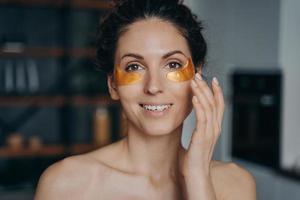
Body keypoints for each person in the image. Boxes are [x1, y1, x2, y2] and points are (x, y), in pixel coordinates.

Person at [35, 0, 256, 199]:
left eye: (173, 65)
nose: (153, 86)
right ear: (113, 85)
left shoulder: (234, 184)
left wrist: (197, 176)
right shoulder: (65, 185)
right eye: (134, 67)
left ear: (196, 75)